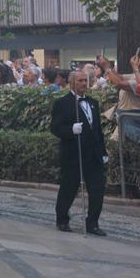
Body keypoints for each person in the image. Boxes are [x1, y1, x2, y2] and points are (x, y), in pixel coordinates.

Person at [50, 71, 107, 235]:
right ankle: (62, 220)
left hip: (93, 153)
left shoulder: (93, 103)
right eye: (81, 80)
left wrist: (103, 152)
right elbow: (55, 128)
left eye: (86, 80)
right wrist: (71, 130)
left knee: (97, 189)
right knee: (68, 187)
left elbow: (97, 131)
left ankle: (93, 223)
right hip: (73, 153)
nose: (84, 83)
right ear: (72, 83)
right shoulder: (63, 103)